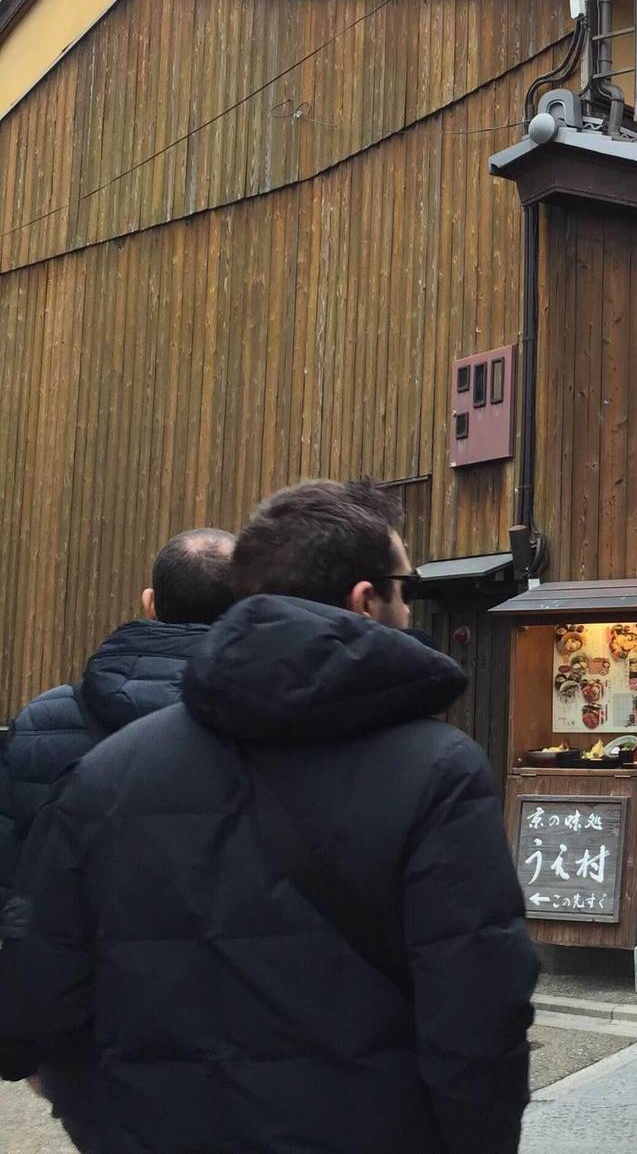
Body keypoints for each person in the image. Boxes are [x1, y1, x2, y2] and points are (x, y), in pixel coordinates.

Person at [9, 479, 539, 1153]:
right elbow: (477, 1017)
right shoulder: (438, 770)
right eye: (406, 586)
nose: (411, 604)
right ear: (366, 600)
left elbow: (36, 1003)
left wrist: (105, 1120)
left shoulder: (108, 772)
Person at [0, 528, 237, 1120]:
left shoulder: (46, 720)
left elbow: (13, 884)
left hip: (92, 1039)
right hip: (241, 1033)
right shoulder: (279, 722)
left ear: (149, 603)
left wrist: (25, 1041)